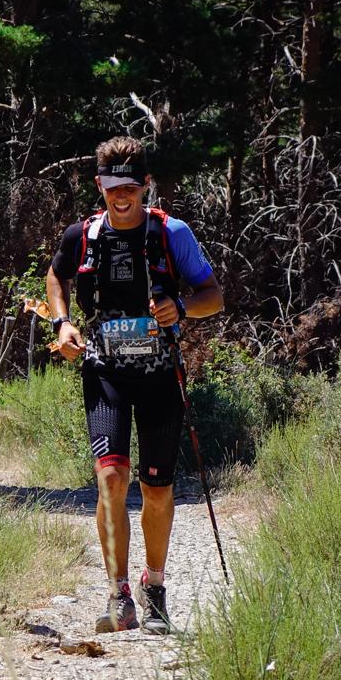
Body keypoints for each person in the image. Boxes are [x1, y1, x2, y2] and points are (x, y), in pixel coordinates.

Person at [45, 137, 223, 634]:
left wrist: (182, 308)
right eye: (110, 186)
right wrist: (62, 323)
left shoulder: (172, 233)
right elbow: (55, 278)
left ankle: (156, 586)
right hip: (105, 375)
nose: (120, 196)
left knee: (158, 489)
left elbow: (214, 295)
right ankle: (118, 591)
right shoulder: (81, 234)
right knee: (111, 480)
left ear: (145, 185)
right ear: (98, 185)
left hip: (160, 377)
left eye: (129, 186)